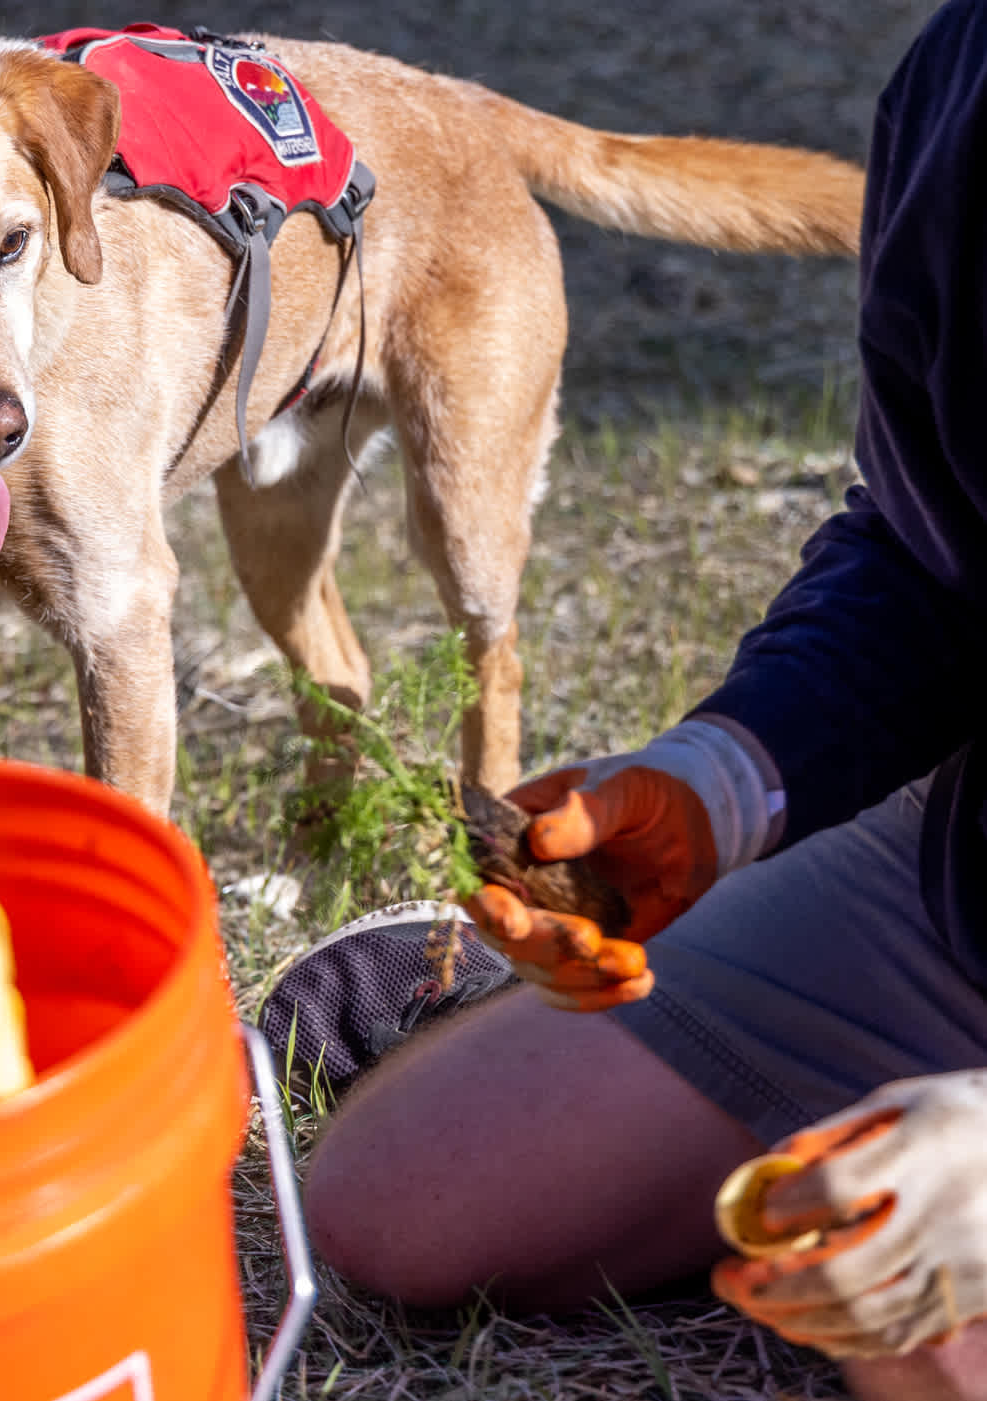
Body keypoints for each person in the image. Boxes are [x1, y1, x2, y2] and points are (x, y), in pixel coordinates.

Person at [266, 4, 987, 1396]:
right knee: (395, 1206)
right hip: (961, 891)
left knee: (935, 1329)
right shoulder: (964, 83)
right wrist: (728, 776)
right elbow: (926, 545)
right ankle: (479, 983)